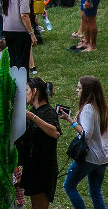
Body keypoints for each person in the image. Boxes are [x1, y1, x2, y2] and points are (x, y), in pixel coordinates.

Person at [60, 76, 108, 209]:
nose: (77, 90)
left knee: (69, 186)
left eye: (79, 88)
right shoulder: (103, 108)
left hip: (89, 157)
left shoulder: (88, 108)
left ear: (87, 91)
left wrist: (70, 120)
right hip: (102, 157)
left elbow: (87, 134)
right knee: (96, 192)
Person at [17, 77, 61, 209]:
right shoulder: (34, 111)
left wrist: (33, 118)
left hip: (43, 167)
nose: (24, 94)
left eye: (26, 90)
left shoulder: (48, 112)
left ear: (34, 91)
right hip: (33, 165)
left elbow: (55, 133)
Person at [1, 0, 35, 70]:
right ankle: (22, 79)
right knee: (22, 61)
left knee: (13, 59)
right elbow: (24, 15)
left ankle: (13, 77)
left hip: (7, 29)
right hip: (20, 31)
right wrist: (31, 33)